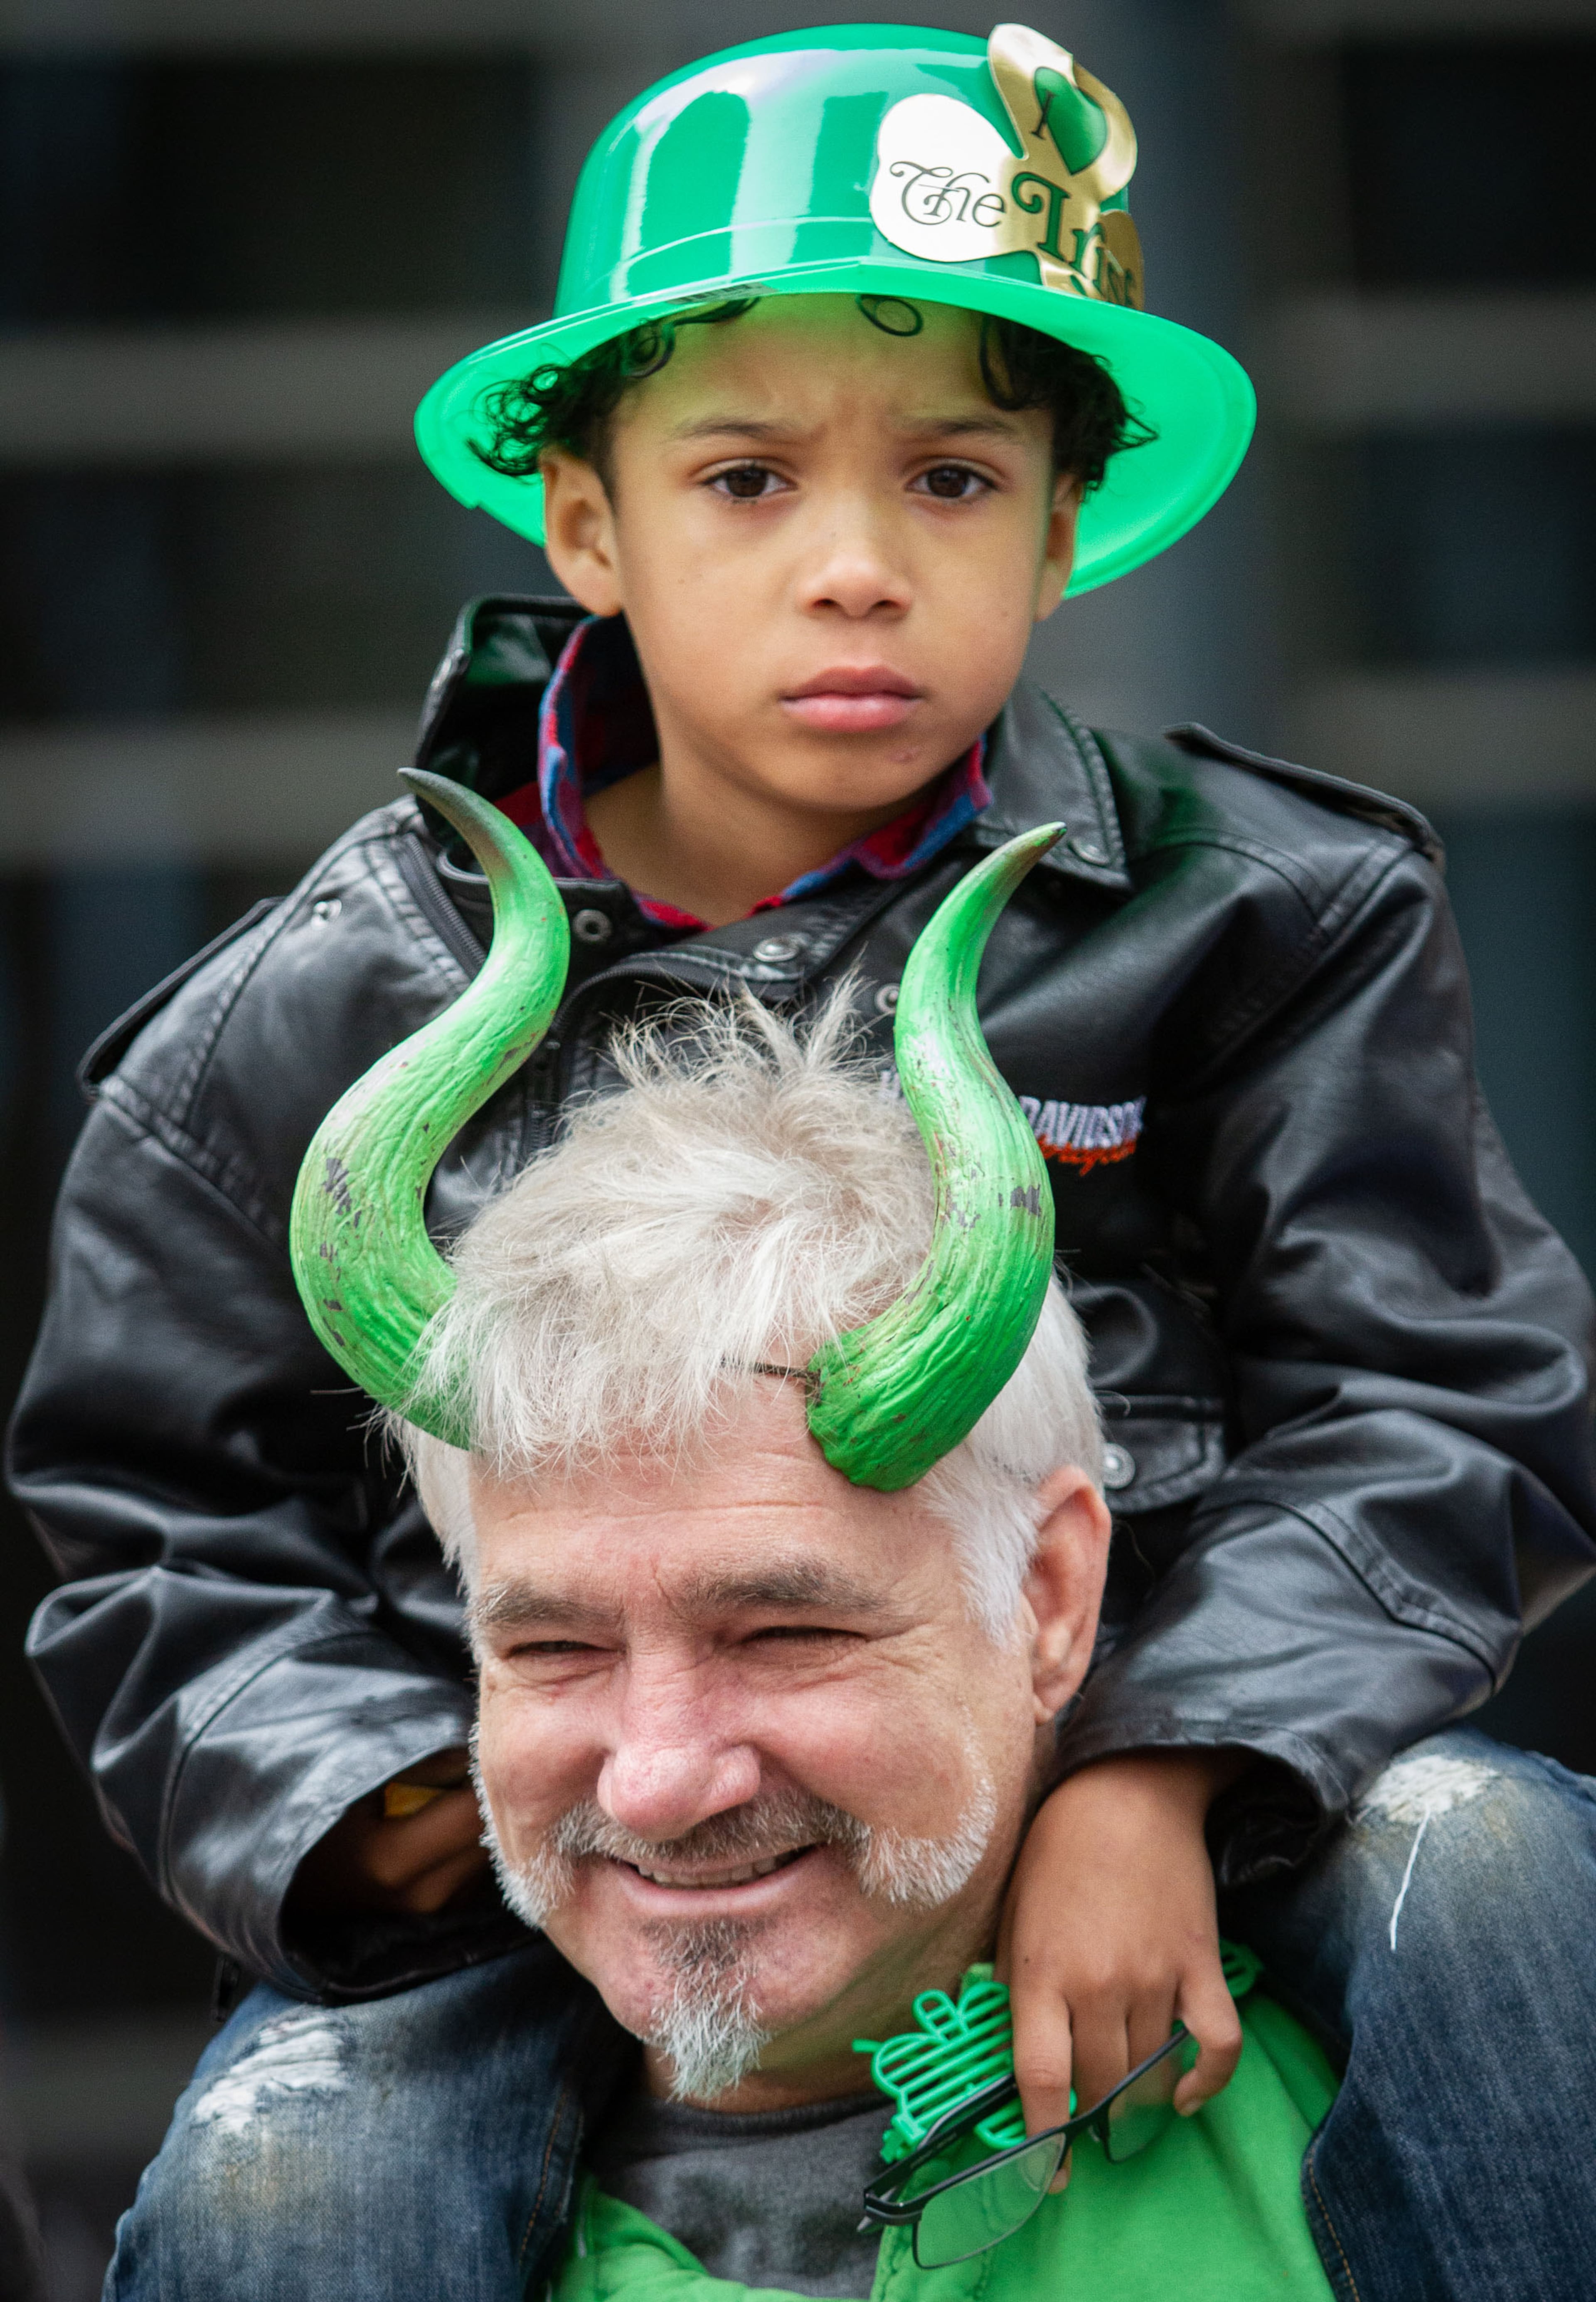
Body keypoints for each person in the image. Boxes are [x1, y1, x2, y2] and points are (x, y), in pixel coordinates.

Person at [10, 22, 1596, 2300]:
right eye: (748, 480)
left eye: (951, 482)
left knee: (1506, 1882)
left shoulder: (1265, 919)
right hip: (552, 1881)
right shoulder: (309, 1015)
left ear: (1064, 523)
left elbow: (1446, 1393)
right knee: (296, 2178)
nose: (856, 568)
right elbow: (157, 1518)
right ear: (588, 519)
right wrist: (477, 1822)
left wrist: (1168, 1768)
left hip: (1168, 1790)